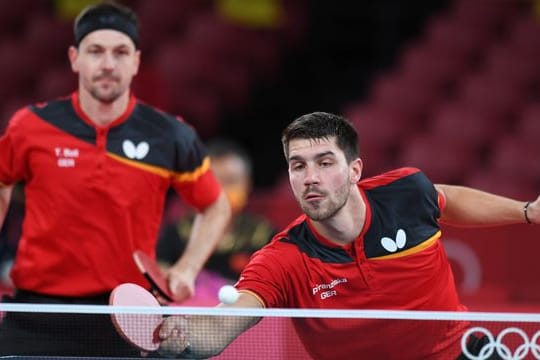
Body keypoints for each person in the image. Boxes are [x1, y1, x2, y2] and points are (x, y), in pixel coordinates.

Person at [157, 112, 539, 360]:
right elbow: (227, 320)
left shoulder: (405, 193)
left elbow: (448, 199)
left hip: (460, 355)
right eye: (298, 166)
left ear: (355, 169)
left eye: (325, 163)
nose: (310, 178)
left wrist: (525, 211)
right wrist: (187, 336)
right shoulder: (284, 258)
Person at [0, 1, 230, 357]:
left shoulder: (170, 135)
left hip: (127, 321)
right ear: (75, 58)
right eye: (96, 52)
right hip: (36, 316)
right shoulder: (31, 127)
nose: (108, 64)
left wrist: (186, 268)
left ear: (136, 61)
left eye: (120, 52)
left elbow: (215, 205)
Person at [156, 138, 275, 288]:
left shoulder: (264, 237)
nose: (221, 192)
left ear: (247, 183)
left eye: (230, 181)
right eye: (213, 183)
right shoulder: (176, 235)